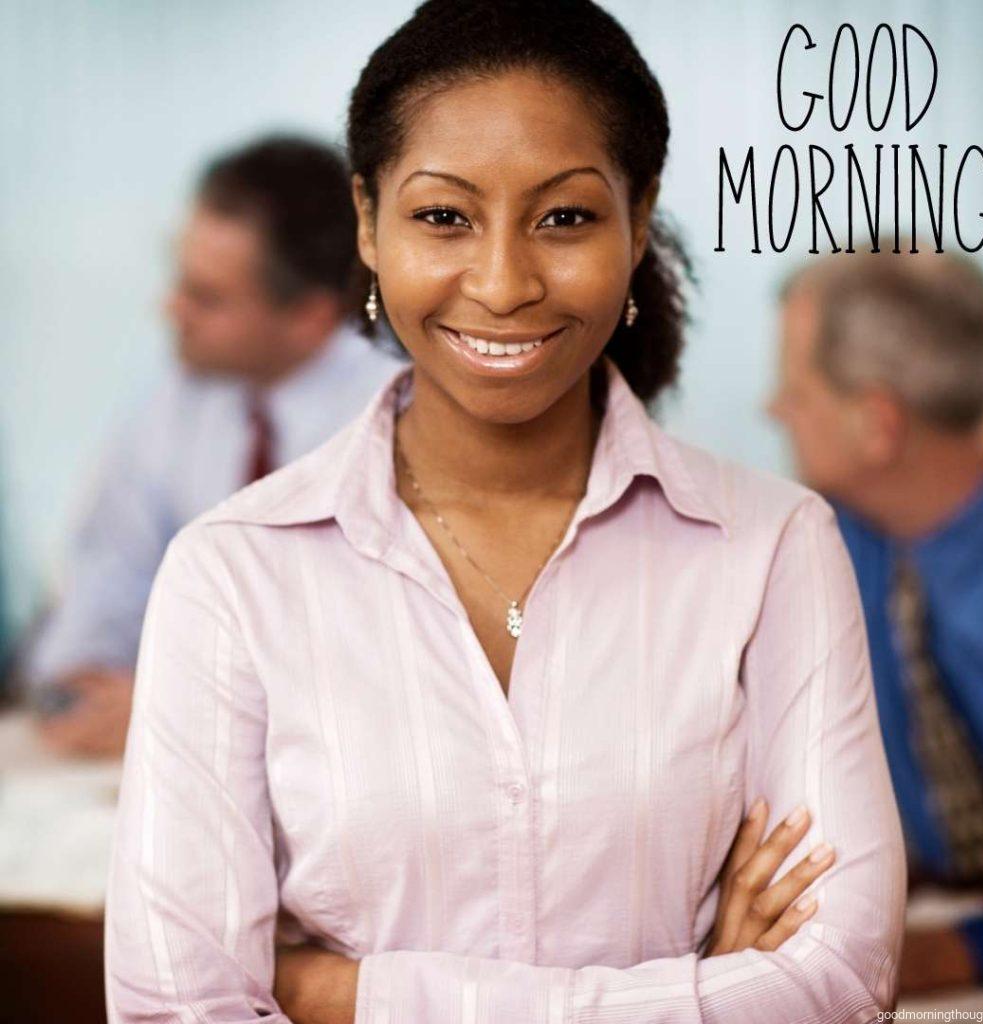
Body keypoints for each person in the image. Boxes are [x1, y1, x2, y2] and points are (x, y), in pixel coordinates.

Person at [104, 2, 906, 1020]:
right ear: (367, 222)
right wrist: (699, 989)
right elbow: (175, 1008)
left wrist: (344, 995)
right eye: (443, 216)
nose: (501, 281)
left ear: (637, 215)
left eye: (564, 217)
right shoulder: (231, 572)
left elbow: (838, 984)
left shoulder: (774, 545)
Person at [17, 134, 405, 757]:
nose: (170, 308)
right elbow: (109, 571)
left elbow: (378, 660)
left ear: (310, 315)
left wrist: (179, 706)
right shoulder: (180, 400)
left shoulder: (401, 419)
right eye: (181, 278)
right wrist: (79, 681)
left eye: (207, 297)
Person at [769, 245, 983, 992]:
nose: (772, 409)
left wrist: (955, 954)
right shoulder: (839, 535)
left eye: (795, 390)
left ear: (877, 422)